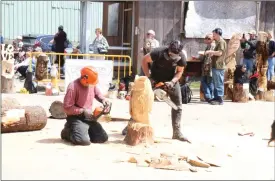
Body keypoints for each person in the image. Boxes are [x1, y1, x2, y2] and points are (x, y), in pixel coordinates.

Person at [122, 40, 190, 143]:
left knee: (178, 106)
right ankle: (131, 126)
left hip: (170, 79)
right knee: (141, 102)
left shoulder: (181, 57)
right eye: (171, 54)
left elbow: (179, 71)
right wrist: (149, 77)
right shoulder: (158, 52)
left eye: (175, 55)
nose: (172, 57)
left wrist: (172, 82)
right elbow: (144, 60)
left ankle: (177, 132)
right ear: (169, 49)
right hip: (155, 77)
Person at [61, 66, 110, 145]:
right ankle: (67, 132)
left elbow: (97, 94)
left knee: (102, 138)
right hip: (76, 117)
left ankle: (82, 131)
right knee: (83, 141)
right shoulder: (73, 87)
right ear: (84, 78)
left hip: (88, 117)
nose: (91, 85)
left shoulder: (91, 83)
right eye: (89, 83)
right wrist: (82, 111)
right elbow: (67, 108)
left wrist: (104, 100)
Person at [205, 28, 227, 105]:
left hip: (219, 65)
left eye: (214, 34)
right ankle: (216, 97)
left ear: (218, 34)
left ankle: (220, 99)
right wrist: (212, 54)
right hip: (215, 65)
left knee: (219, 83)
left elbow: (220, 53)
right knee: (215, 82)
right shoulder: (217, 42)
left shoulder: (221, 42)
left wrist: (210, 52)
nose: (213, 36)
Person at [192, 33, 215, 102]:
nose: (206, 40)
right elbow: (205, 56)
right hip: (206, 66)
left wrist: (206, 66)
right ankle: (209, 96)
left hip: (208, 67)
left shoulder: (212, 45)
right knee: (206, 81)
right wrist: (197, 58)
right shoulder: (209, 45)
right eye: (206, 38)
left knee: (208, 81)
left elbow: (209, 57)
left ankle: (210, 96)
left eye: (208, 38)